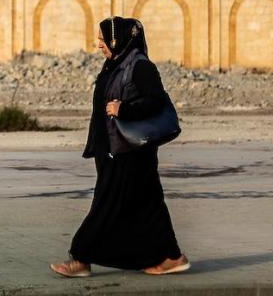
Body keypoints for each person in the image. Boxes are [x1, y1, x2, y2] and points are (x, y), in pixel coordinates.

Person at [51, 16, 189, 278]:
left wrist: (123, 108)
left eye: (103, 40)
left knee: (105, 204)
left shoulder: (139, 66)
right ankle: (172, 257)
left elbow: (156, 102)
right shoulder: (115, 64)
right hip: (115, 149)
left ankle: (80, 258)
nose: (99, 45)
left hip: (127, 152)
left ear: (117, 40)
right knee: (149, 204)